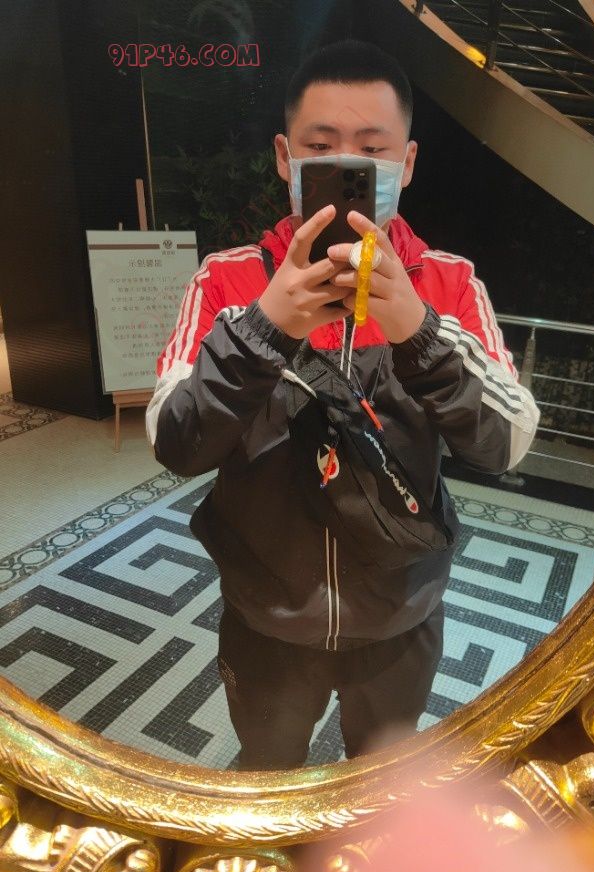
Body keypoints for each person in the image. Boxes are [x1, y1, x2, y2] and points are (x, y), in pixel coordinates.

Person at [145, 39, 540, 770]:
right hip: (265, 616)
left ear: (407, 164)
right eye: (321, 147)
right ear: (285, 157)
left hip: (401, 618)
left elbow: (504, 443)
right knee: (268, 775)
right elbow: (176, 443)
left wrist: (418, 331)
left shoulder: (449, 284)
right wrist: (264, 327)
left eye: (372, 150)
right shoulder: (228, 282)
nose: (347, 165)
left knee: (380, 788)